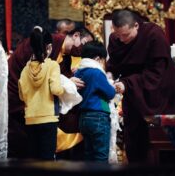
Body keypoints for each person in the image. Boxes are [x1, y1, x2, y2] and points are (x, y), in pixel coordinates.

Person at [106, 9, 175, 163]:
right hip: (134, 93)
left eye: (125, 35)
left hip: (160, 91)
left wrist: (127, 83)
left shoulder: (153, 35)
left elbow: (157, 72)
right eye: (118, 35)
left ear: (136, 25)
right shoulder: (115, 39)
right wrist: (109, 74)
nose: (121, 39)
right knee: (134, 137)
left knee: (164, 139)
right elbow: (114, 64)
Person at [8, 26, 94, 158]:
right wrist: (67, 83)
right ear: (76, 35)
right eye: (85, 44)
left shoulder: (66, 58)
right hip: (25, 106)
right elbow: (55, 86)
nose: (84, 50)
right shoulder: (44, 43)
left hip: (34, 111)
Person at [18, 26, 64, 160]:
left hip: (31, 119)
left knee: (34, 159)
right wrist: (65, 87)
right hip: (48, 118)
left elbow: (22, 96)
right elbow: (56, 89)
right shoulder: (52, 65)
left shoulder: (25, 70)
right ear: (49, 47)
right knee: (47, 159)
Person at [75, 41, 116, 162]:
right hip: (98, 116)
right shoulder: (96, 72)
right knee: (101, 156)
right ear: (98, 58)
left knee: (89, 155)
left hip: (83, 118)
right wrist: (112, 86)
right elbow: (110, 93)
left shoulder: (79, 71)